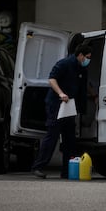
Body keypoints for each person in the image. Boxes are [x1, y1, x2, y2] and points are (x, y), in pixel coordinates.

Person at [32, 44, 92, 179]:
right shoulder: (65, 64)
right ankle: (38, 167)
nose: (88, 60)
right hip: (56, 104)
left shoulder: (82, 68)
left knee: (69, 139)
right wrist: (61, 93)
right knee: (52, 136)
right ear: (80, 55)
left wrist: (94, 95)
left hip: (69, 107)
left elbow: (84, 85)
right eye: (87, 57)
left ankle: (66, 170)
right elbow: (52, 79)